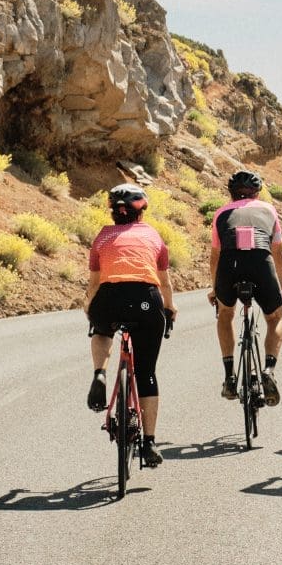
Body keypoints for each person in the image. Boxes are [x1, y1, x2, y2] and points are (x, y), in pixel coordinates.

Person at [85, 183, 174, 467]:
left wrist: (90, 307)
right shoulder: (153, 236)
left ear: (113, 212)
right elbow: (165, 282)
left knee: (101, 330)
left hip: (110, 298)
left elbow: (94, 283)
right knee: (146, 372)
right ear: (141, 211)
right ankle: (149, 442)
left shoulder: (101, 238)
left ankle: (100, 373)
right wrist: (170, 308)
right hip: (146, 300)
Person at [208, 169, 282, 405]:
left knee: (225, 314)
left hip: (229, 264)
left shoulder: (220, 213)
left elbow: (215, 256)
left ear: (231, 193)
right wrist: (281, 286)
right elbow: (278, 252)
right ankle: (269, 370)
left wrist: (215, 289)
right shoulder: (268, 210)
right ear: (257, 192)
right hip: (261, 264)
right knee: (274, 316)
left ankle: (230, 376)